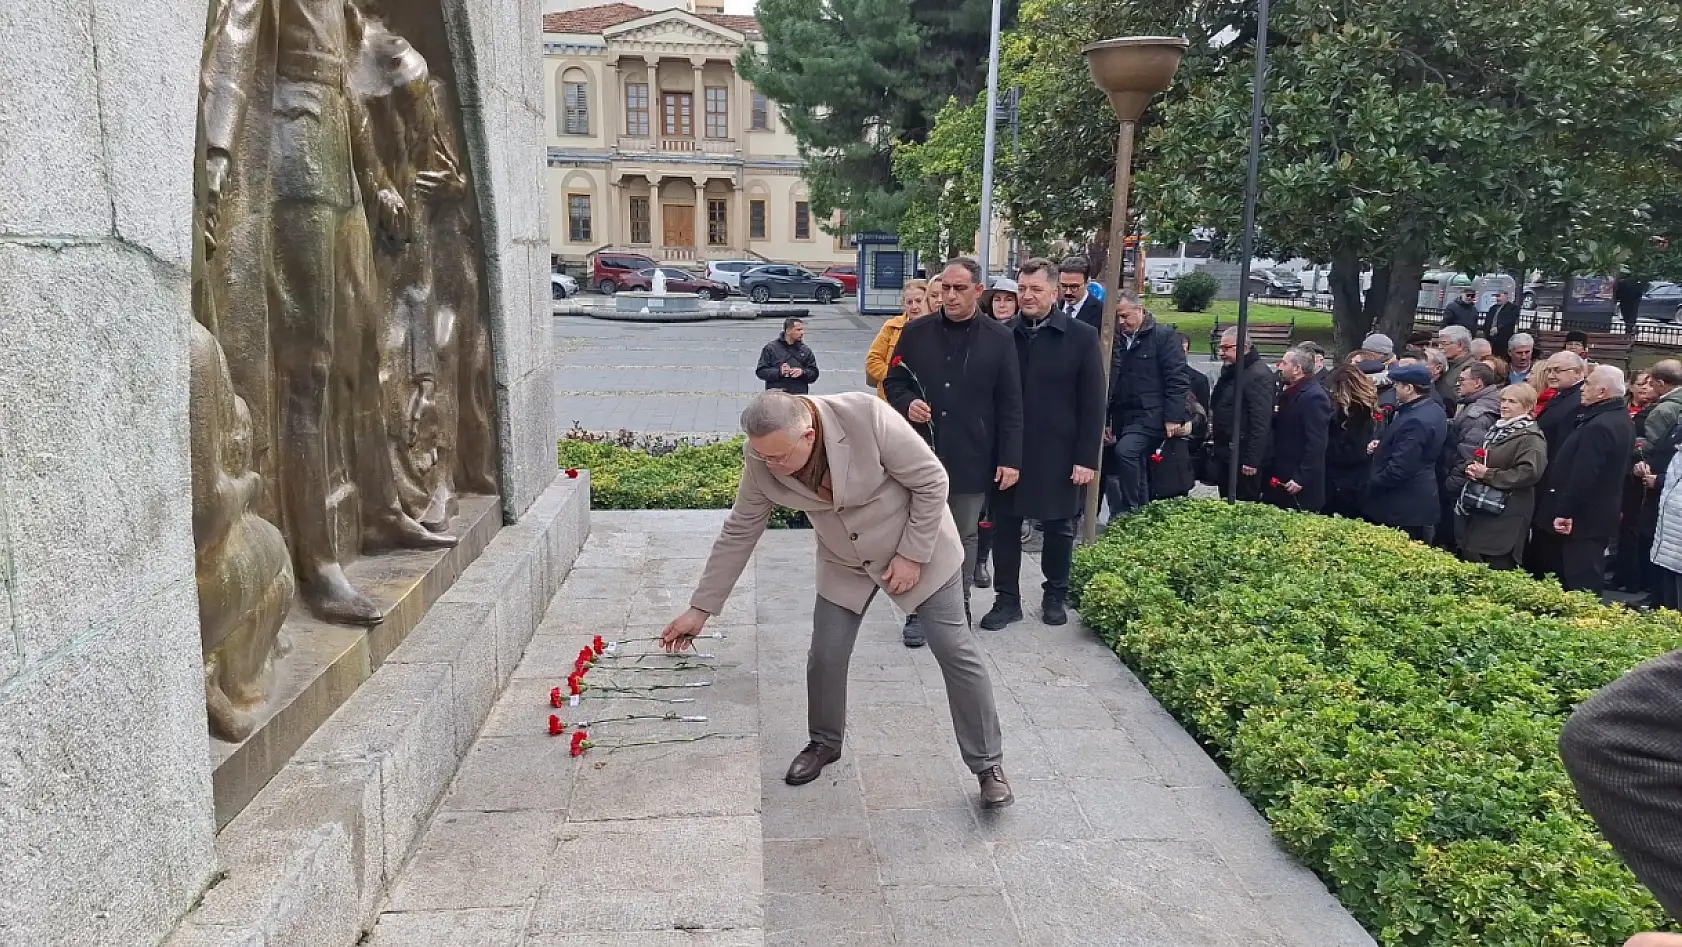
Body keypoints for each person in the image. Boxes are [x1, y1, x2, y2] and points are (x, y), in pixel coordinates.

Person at [659, 391, 1012, 807]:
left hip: (917, 544)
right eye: (761, 456)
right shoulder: (761, 457)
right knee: (825, 654)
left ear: (808, 434)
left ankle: (988, 765)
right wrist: (700, 609)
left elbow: (932, 480)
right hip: (844, 558)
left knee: (955, 649)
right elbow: (741, 527)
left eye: (777, 457)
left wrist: (912, 556)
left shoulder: (866, 416)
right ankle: (824, 742)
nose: (769, 466)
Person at [885, 258, 1023, 647]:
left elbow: (1011, 403)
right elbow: (893, 380)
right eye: (945, 288)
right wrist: (907, 402)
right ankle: (917, 609)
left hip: (972, 453)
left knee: (963, 536)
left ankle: (956, 608)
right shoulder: (916, 333)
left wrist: (1010, 458)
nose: (950, 296)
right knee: (918, 531)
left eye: (959, 289)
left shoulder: (999, 338)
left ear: (978, 292)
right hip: (921, 451)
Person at [979, 259, 1104, 631]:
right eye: (1023, 289)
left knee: (1060, 527)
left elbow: (1093, 401)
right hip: (1010, 451)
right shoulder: (1003, 334)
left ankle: (1055, 594)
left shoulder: (1081, 337)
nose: (1027, 296)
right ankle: (1007, 599)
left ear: (1054, 293)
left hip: (1059, 451)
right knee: (1005, 525)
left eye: (1036, 289)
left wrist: (1086, 457)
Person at [1540, 365, 1636, 593]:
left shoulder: (1600, 425)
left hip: (1584, 518)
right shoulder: (1618, 418)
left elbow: (1585, 474)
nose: (1583, 388)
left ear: (1603, 392)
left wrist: (1566, 511)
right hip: (1596, 514)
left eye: (1589, 384)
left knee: (1581, 579)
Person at [1105, 291, 1191, 518]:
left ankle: (1133, 508)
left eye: (1125, 316)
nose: (1122, 323)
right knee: (1129, 462)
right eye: (1118, 318)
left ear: (1140, 310)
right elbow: (1111, 381)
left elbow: (1177, 378)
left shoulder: (1163, 337)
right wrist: (1106, 420)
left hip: (1151, 413)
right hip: (1124, 414)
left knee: (1127, 452)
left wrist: (1173, 416)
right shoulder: (1116, 340)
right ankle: (1140, 511)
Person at [1456, 383, 1547, 569]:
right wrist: (1470, 467)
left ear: (1528, 407)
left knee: (1496, 565)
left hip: (1507, 515)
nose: (1505, 405)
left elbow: (1529, 473)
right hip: (1483, 508)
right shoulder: (1498, 430)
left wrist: (1488, 474)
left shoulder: (1530, 437)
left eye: (1512, 401)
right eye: (1503, 400)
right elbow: (1482, 455)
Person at [1362, 362, 1449, 543]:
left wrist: (1371, 483)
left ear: (1409, 388)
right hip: (1417, 499)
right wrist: (1384, 446)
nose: (1394, 389)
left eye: (1398, 385)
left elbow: (1401, 467)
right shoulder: (1432, 409)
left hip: (1403, 506)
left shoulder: (1415, 420)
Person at [1528, 351, 1588, 579]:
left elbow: (1563, 446)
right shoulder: (1561, 395)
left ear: (1577, 372)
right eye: (1549, 370)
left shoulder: (1575, 401)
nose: (1551, 375)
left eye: (1557, 370)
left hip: (1553, 477)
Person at [1440, 362, 1504, 549]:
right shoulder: (1478, 404)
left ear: (1477, 383)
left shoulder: (1477, 414)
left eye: (1462, 380)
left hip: (1461, 484)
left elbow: (1469, 454)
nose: (1457, 384)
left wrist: (1451, 484)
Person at [1206, 327, 1275, 500]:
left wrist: (1252, 459)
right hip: (1228, 452)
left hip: (1243, 455)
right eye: (1220, 347)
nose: (1222, 353)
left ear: (1244, 348)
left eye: (1227, 348)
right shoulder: (1233, 371)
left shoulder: (1258, 375)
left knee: (1243, 502)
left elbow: (1261, 421)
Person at [1265, 347, 1332, 513]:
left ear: (1297, 369)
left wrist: (1301, 478)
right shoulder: (1288, 390)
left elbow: (1317, 442)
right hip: (1281, 472)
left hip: (1298, 481)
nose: (1279, 367)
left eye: (1284, 363)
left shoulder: (1314, 396)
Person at [1324, 365, 1380, 519]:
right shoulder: (1365, 411)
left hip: (1345, 482)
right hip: (1355, 479)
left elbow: (1352, 451)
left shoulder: (1353, 415)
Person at [865, 280, 931, 399]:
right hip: (891, 400)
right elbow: (872, 361)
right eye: (909, 302)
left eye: (918, 301)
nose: (914, 306)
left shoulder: (938, 327)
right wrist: (896, 379)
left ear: (927, 301)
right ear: (903, 304)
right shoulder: (892, 326)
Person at [756, 317, 819, 395]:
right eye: (798, 330)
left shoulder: (806, 350)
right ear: (788, 331)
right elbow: (761, 372)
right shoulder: (771, 348)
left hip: (798, 396)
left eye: (802, 329)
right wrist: (779, 372)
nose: (802, 332)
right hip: (776, 396)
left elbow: (814, 373)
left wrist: (802, 372)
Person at [1434, 325, 1476, 406]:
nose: (1440, 347)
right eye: (1438, 344)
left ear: (1460, 345)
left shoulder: (1471, 368)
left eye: (1444, 344)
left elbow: (1461, 397)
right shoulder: (1445, 364)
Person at [1058, 257, 1103, 331]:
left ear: (1087, 282)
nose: (1068, 292)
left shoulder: (1101, 312)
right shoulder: (1053, 308)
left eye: (1074, 287)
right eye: (1064, 286)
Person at [1485, 290, 1523, 355]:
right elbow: (1488, 321)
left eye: (1499, 296)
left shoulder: (1512, 308)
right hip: (1491, 339)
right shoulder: (1493, 308)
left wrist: (1498, 329)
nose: (1497, 299)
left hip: (1504, 339)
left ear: (1506, 296)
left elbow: (1509, 322)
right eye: (1496, 297)